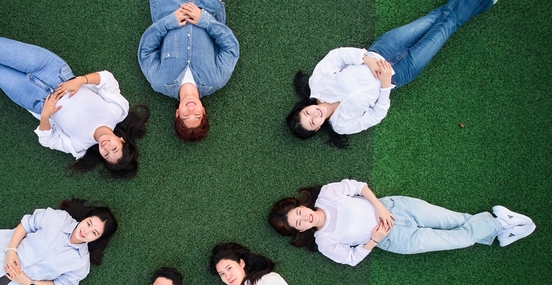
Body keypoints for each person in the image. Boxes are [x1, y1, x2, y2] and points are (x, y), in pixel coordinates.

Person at [0, 0, 148, 178]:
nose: (106, 147)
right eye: (114, 147)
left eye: (106, 154)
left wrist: (46, 115)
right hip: (52, 69)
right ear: (122, 139)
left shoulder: (79, 147)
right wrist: (80, 81)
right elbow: (107, 79)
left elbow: (48, 139)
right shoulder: (118, 110)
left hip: (30, 97)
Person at [287, 0, 496, 147]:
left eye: (308, 113)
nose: (315, 115)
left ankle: (485, 2)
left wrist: (366, 59)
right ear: (317, 129)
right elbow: (375, 116)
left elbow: (337, 56)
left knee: (436, 17)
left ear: (306, 108)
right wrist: (386, 85)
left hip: (384, 49)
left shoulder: (318, 85)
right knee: (446, 25)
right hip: (402, 73)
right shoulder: (342, 125)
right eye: (313, 122)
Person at [268, 179, 536, 266]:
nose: (304, 219)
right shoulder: (325, 242)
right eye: (299, 224)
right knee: (459, 238)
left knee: (457, 220)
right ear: (300, 232)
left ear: (301, 205)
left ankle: (499, 227)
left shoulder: (328, 194)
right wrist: (374, 239)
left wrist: (380, 207)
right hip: (396, 239)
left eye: (299, 213)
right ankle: (500, 224)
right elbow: (351, 259)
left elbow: (359, 186)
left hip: (397, 209)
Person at [138, 0, 239, 142]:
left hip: (168, 6)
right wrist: (205, 20)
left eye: (186, 116)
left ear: (177, 113)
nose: (191, 110)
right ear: (203, 111)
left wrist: (169, 21)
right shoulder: (216, 79)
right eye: (197, 115)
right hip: (207, 5)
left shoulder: (159, 81)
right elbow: (230, 48)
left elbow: (146, 50)